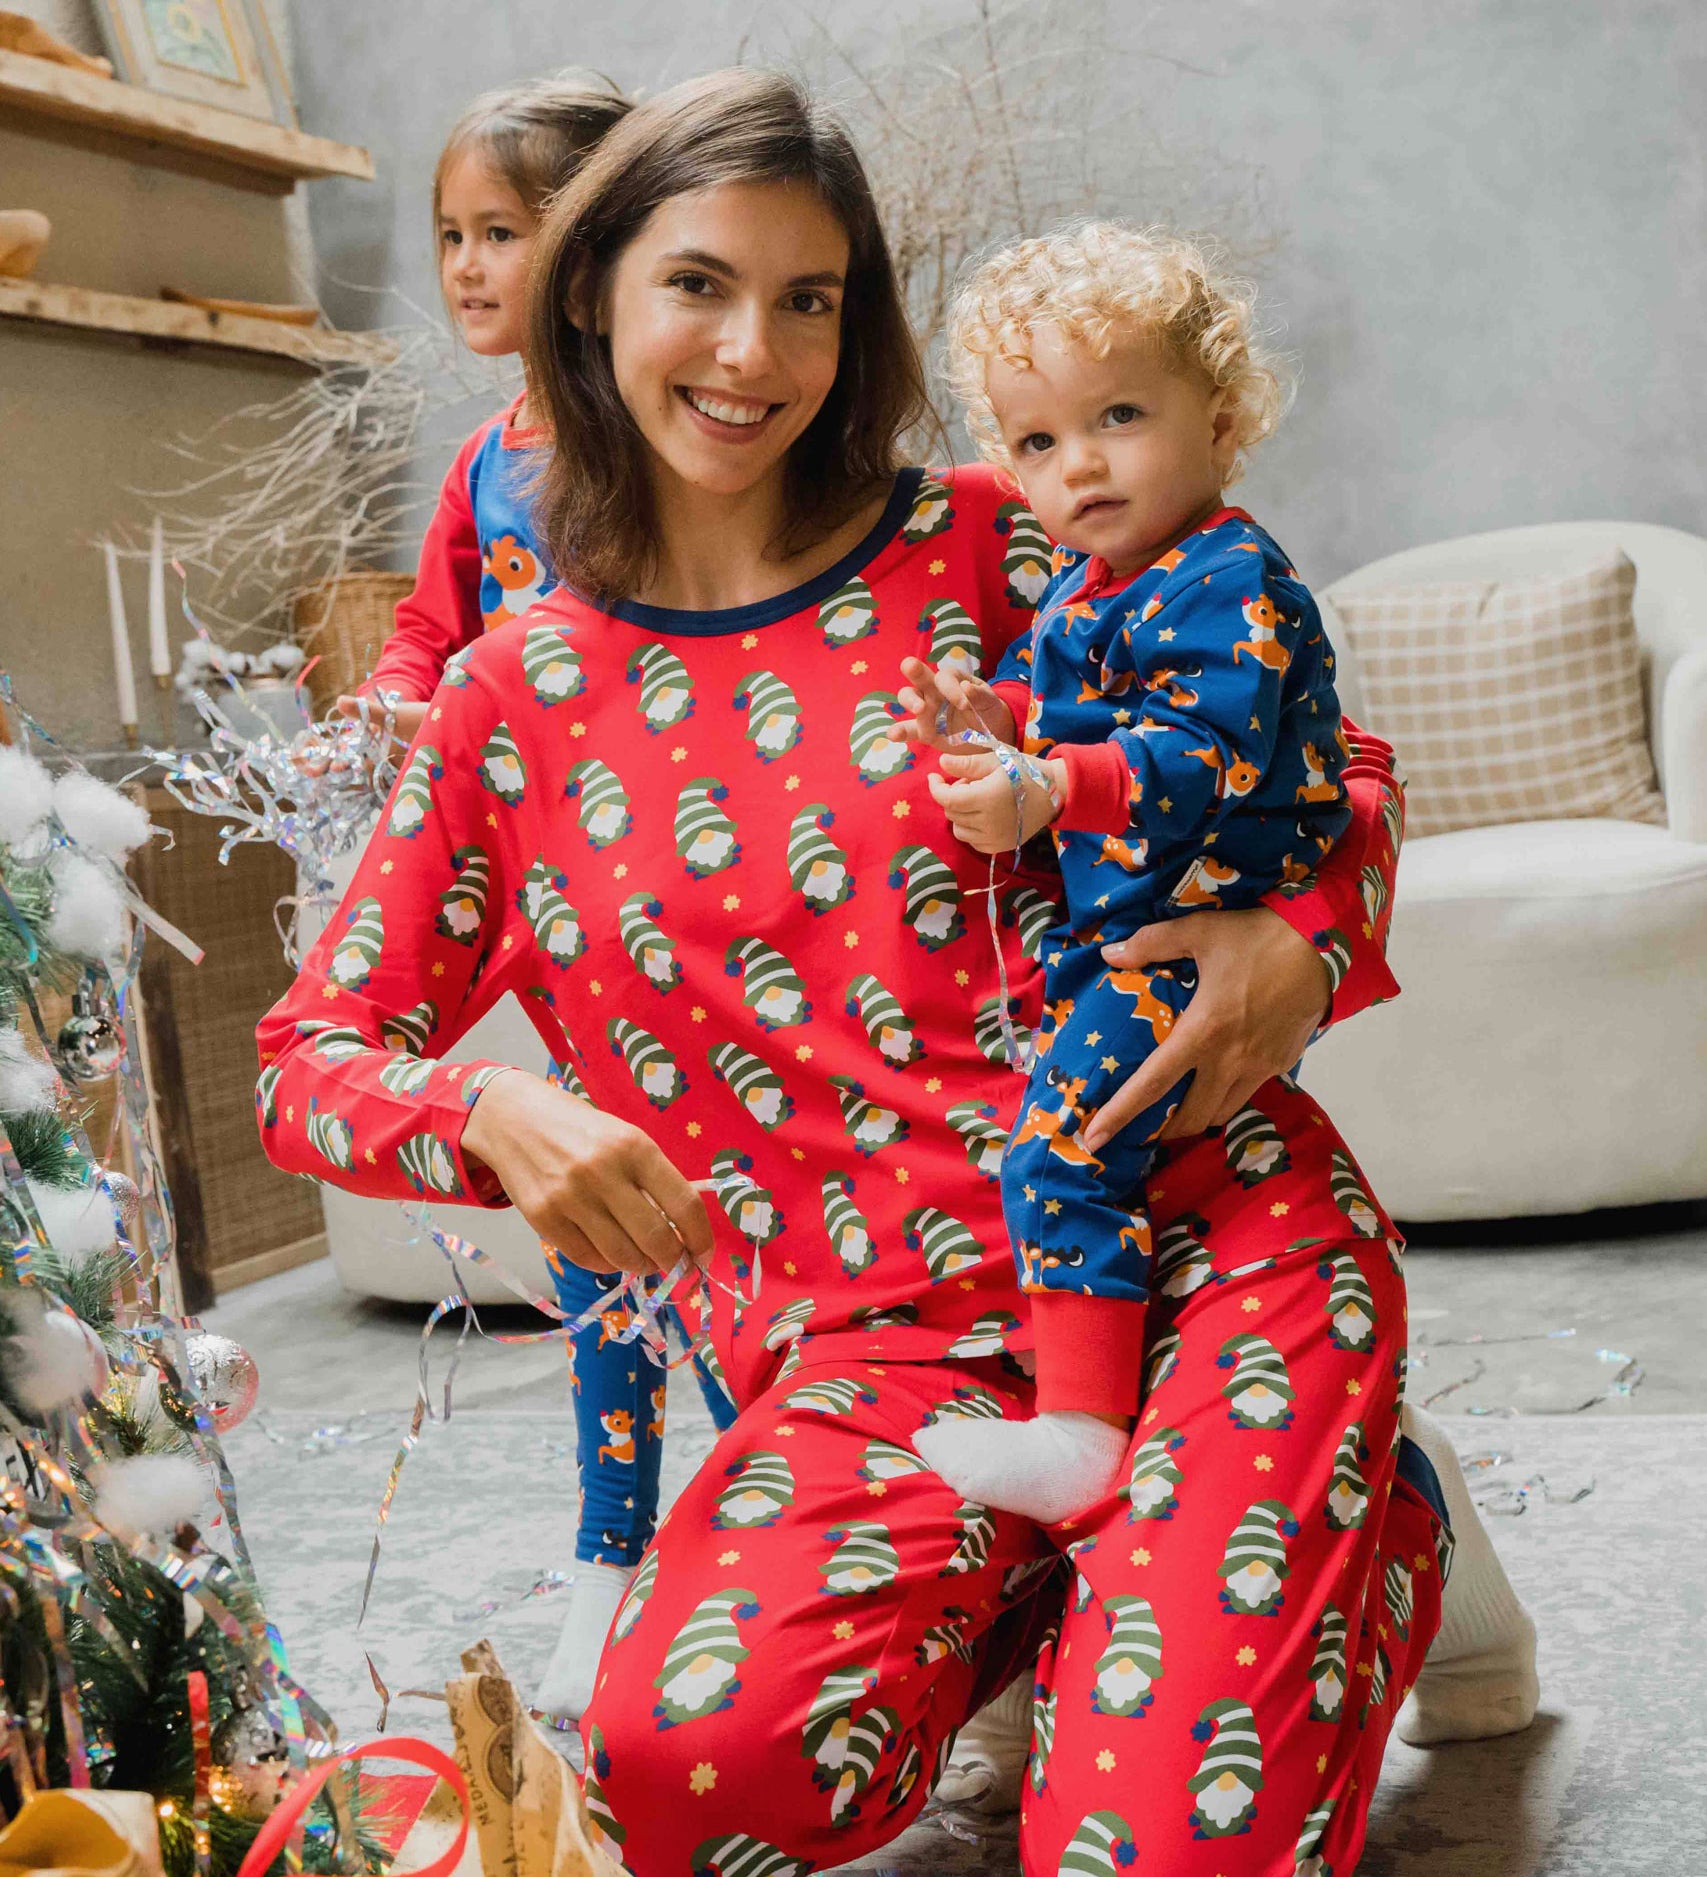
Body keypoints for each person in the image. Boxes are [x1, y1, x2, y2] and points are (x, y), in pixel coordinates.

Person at [257, 68, 1533, 1875]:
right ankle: (1083, 1589)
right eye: (699, 282)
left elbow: (1333, 761)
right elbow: (308, 1055)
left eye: (811, 298)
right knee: (687, 1778)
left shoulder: (994, 541)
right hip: (864, 1358)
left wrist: (1302, 948)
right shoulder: (508, 699)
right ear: (594, 290)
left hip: (1192, 1238)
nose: (751, 350)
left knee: (1150, 1849)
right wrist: (494, 1106)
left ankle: (1347, 1521)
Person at [333, 71, 738, 1722]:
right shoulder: (483, 463)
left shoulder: (681, 447)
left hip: (690, 904)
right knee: (597, 1242)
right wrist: (387, 702)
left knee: (718, 1233)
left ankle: (772, 1499)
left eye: (508, 231)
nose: (470, 268)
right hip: (541, 913)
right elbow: (431, 638)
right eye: (452, 238)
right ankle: (610, 1550)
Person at [898, 223, 1353, 1526]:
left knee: (1062, 1153)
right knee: (1114, 1177)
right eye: (1038, 442)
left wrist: (1045, 785)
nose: (1080, 462)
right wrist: (981, 720)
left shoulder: (1228, 579)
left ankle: (1084, 1433)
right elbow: (1047, 712)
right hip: (1126, 940)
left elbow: (1197, 756)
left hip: (1198, 930)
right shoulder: (1088, 592)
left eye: (1119, 416)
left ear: (1220, 421)